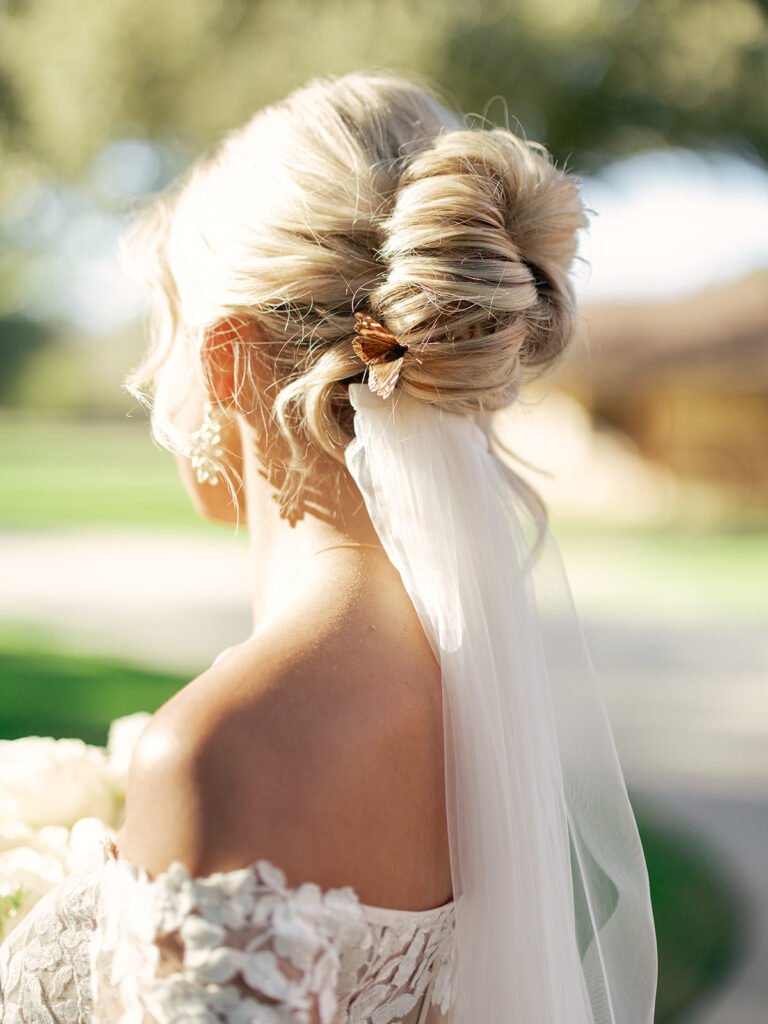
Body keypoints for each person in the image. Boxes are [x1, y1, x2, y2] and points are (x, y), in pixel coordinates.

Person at [0, 72, 657, 1023]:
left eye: (168, 335)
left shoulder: (227, 749)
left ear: (224, 360)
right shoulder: (471, 703)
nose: (156, 383)